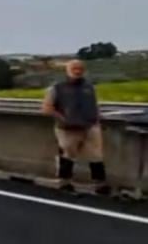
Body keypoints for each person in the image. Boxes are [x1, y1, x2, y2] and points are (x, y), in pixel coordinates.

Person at [42, 59, 110, 195]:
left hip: (90, 126)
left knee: (96, 156)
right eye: (74, 69)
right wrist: (64, 119)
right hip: (67, 129)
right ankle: (65, 183)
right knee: (68, 155)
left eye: (80, 69)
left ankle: (100, 185)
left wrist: (98, 120)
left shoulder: (89, 87)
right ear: (68, 70)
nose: (78, 71)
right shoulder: (57, 88)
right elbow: (47, 108)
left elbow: (95, 105)